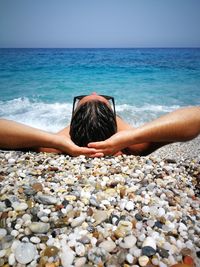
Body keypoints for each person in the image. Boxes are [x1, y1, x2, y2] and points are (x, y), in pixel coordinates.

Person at [0, 92, 200, 157]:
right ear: (114, 115)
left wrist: (55, 140)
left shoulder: (60, 142)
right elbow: (195, 116)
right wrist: (133, 136)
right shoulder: (134, 143)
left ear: (73, 118)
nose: (95, 91)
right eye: (104, 98)